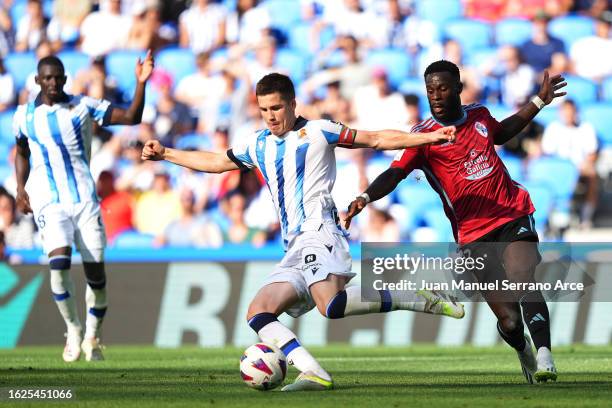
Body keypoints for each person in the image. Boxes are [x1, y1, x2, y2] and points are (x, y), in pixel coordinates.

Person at [142, 72, 464, 391]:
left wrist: (428, 137)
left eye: (277, 108)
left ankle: (411, 296)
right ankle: (313, 372)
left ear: (293, 104)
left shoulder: (320, 131)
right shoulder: (258, 144)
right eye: (264, 109)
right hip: (293, 245)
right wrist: (167, 154)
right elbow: (215, 160)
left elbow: (376, 138)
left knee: (330, 305)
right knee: (258, 312)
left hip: (321, 231)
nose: (270, 116)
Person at [345, 60, 567, 384]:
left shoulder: (479, 115)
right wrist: (365, 197)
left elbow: (502, 133)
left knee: (522, 276)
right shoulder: (422, 138)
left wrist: (538, 101)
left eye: (443, 88)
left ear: (459, 89)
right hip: (472, 233)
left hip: (510, 212)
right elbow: (394, 173)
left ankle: (545, 353)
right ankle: (524, 349)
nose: (435, 95)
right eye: (430, 89)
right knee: (509, 322)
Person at [13, 50, 154, 362]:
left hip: (85, 202)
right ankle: (73, 328)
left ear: (65, 79)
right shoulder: (23, 116)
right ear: (38, 80)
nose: (52, 82)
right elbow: (21, 151)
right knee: (59, 264)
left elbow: (131, 117)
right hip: (50, 203)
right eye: (46, 77)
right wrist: (21, 189)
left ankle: (93, 334)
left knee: (96, 277)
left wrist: (141, 83)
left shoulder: (82, 106)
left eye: (57, 77)